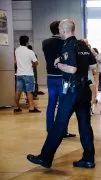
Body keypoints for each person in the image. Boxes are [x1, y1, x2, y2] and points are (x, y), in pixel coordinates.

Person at [27, 19, 96, 169]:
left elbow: (71, 69)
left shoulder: (68, 45)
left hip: (71, 91)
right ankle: (88, 159)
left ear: (62, 30)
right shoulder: (83, 44)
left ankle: (45, 158)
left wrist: (58, 64)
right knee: (85, 125)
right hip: (84, 90)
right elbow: (94, 64)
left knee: (59, 125)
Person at [42, 20, 75, 137]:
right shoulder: (65, 43)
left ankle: (50, 129)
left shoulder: (45, 42)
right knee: (63, 105)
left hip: (50, 76)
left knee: (51, 103)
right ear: (61, 29)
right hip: (63, 77)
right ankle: (62, 130)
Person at [14, 35, 41, 113]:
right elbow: (36, 63)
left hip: (19, 74)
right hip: (28, 74)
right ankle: (31, 108)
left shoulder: (16, 50)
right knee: (29, 91)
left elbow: (16, 61)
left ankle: (16, 107)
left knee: (18, 91)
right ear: (27, 42)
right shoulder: (30, 51)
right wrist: (31, 65)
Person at [82, 39, 98, 115]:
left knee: (93, 93)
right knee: (86, 94)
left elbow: (94, 65)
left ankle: (89, 108)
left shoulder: (89, 52)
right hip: (82, 76)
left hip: (89, 75)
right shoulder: (78, 51)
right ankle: (86, 109)